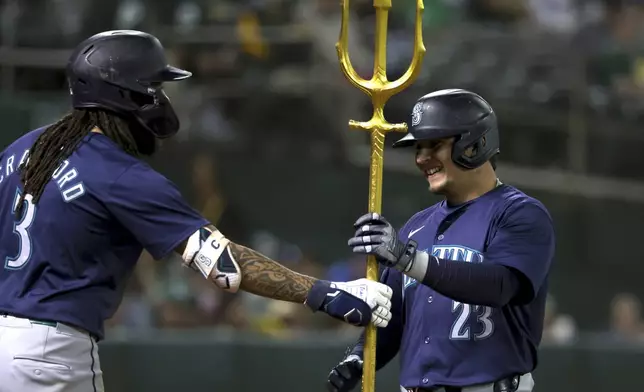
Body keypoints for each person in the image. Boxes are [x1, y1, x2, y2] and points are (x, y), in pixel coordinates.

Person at [0, 30, 393, 392]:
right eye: (154, 86)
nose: (162, 99)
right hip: (48, 355)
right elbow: (224, 265)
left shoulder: (20, 151)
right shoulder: (118, 174)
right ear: (126, 94)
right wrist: (326, 292)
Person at [327, 89, 555, 392]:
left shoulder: (519, 213)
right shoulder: (415, 228)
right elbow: (390, 319)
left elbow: (502, 285)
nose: (422, 159)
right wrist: (359, 358)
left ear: (475, 144)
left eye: (435, 145)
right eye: (418, 148)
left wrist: (408, 259)